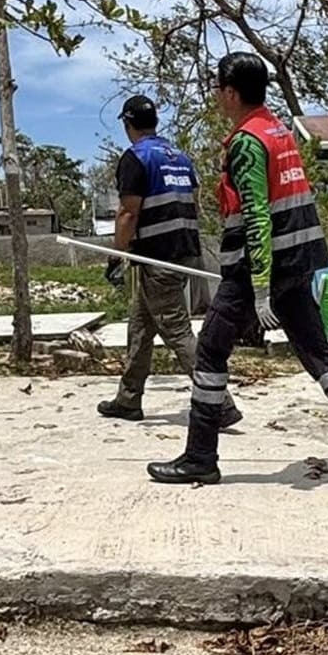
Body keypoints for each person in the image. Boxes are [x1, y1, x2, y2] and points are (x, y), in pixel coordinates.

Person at [147, 52, 328, 486]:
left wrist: (261, 287)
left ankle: (200, 456)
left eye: (218, 89)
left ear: (230, 92)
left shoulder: (248, 142)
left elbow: (257, 217)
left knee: (210, 350)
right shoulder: (278, 131)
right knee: (316, 352)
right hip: (298, 261)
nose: (216, 96)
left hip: (258, 269)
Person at [97, 95, 239, 428]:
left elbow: (128, 213)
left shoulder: (135, 158)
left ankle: (220, 404)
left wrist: (117, 257)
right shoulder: (179, 157)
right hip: (185, 250)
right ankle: (128, 399)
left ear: (127, 124)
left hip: (158, 257)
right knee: (140, 326)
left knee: (177, 332)